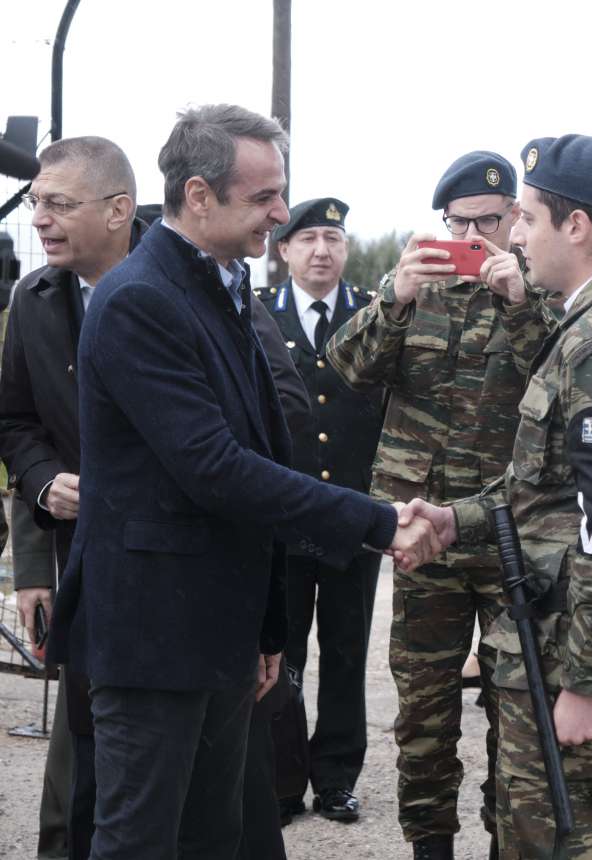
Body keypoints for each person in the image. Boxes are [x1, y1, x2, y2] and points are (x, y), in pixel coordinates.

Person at [44, 104, 439, 860]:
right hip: (154, 638)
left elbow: (264, 446)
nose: (282, 214)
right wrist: (380, 521)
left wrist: (263, 631)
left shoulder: (220, 286)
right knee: (139, 843)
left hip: (217, 632)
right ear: (198, 195)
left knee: (215, 839)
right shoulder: (141, 300)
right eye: (265, 197)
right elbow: (215, 468)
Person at [408, 133, 592, 859]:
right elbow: (548, 486)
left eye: (528, 219)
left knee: (569, 842)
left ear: (577, 226)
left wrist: (586, 681)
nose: (515, 236)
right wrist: (454, 519)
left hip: (583, 656)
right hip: (566, 641)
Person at [327, 150, 551, 860]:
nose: (475, 237)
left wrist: (520, 303)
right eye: (461, 224)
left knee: (517, 713)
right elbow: (348, 367)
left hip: (510, 533)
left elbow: (565, 380)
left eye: (490, 222)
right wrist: (393, 299)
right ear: (442, 223)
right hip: (423, 533)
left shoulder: (542, 290)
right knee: (424, 714)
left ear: (515, 218)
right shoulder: (413, 287)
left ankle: (506, 843)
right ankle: (430, 847)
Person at [0, 136, 138, 860]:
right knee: (78, 743)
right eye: (35, 202)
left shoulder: (188, 284)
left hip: (170, 562)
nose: (39, 219)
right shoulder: (34, 299)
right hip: (76, 554)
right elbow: (19, 424)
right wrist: (44, 493)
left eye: (57, 203)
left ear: (117, 211)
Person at [255, 196, 385, 825]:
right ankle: (282, 780)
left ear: (346, 249)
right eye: (307, 239)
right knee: (282, 652)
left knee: (345, 650)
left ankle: (336, 778)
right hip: (284, 513)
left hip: (353, 515)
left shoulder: (373, 314)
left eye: (333, 238)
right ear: (283, 249)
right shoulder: (257, 312)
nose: (321, 251)